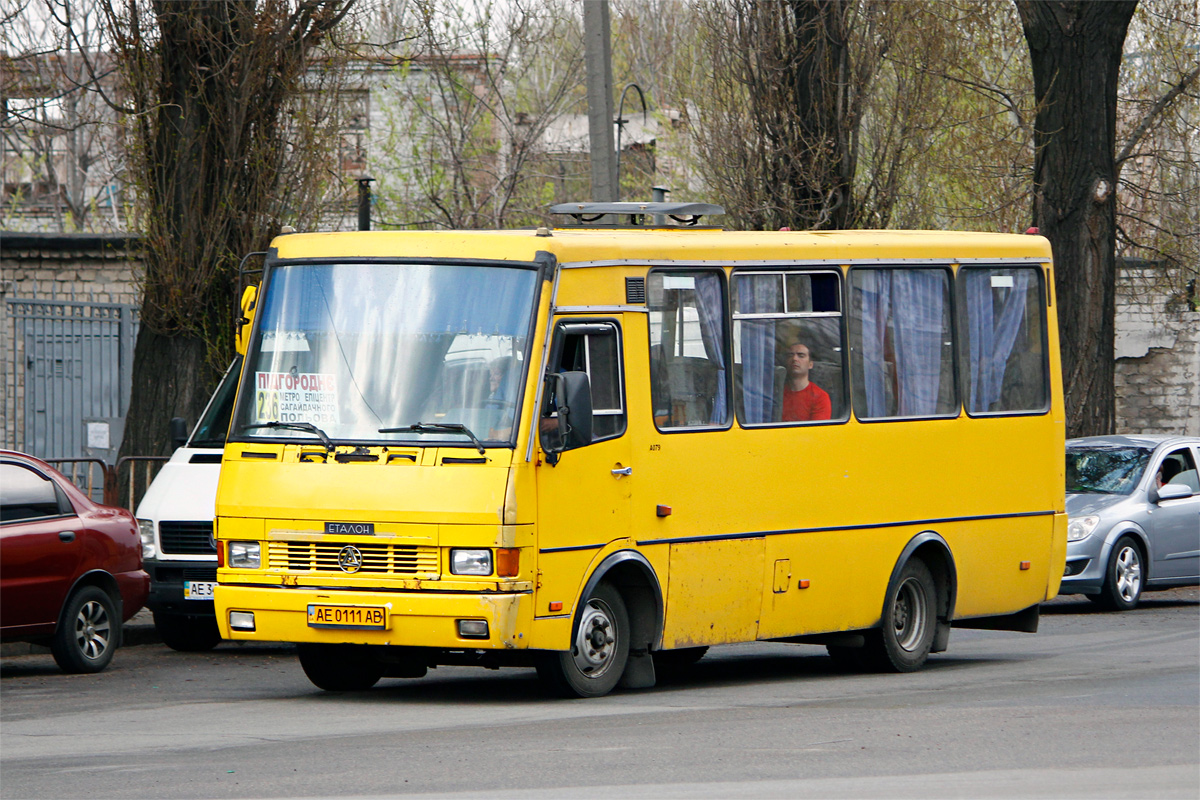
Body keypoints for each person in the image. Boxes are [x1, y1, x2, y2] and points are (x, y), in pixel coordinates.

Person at [781, 341, 831, 422]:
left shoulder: (820, 397)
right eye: (790, 355)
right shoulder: (778, 393)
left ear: (810, 364)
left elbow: (818, 431)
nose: (794, 359)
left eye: (801, 355)